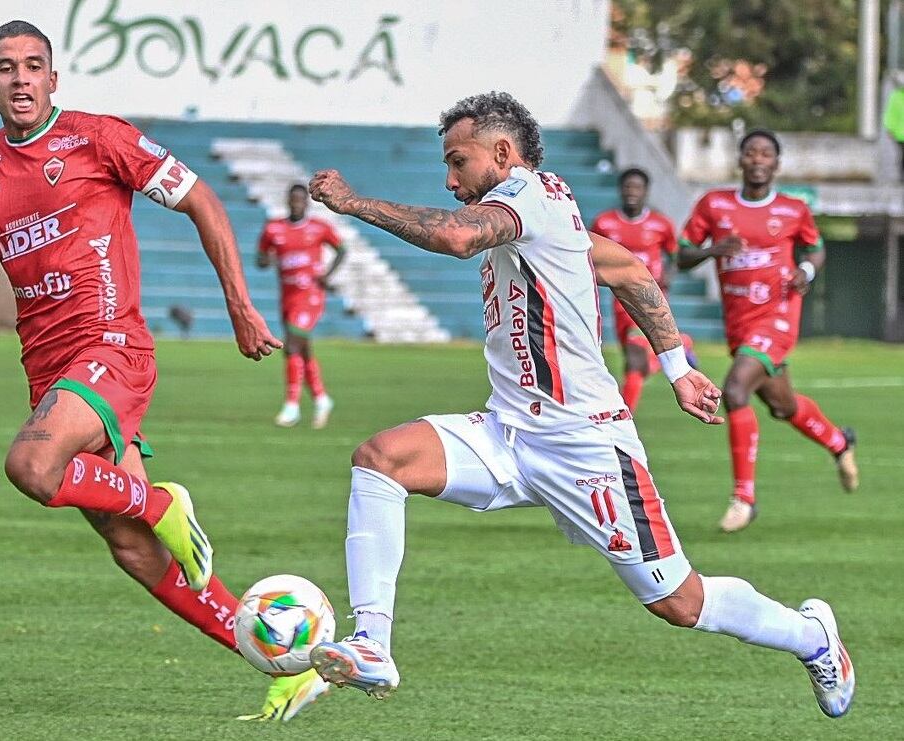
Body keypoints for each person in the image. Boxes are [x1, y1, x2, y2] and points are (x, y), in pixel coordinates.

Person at [305, 92, 854, 718]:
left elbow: (458, 238)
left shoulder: (524, 200)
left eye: (459, 162)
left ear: (503, 154)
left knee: (680, 602)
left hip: (585, 445)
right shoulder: (551, 207)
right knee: (381, 458)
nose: (449, 179)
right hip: (508, 432)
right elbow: (626, 268)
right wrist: (677, 368)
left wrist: (353, 203)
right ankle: (372, 642)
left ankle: (814, 638)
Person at [0, 20, 327, 722]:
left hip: (112, 346)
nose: (21, 78)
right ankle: (283, 664)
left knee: (32, 467)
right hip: (49, 369)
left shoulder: (99, 138)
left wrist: (241, 306)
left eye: (34, 65)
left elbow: (201, 200)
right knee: (129, 546)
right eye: (6, 68)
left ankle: (164, 503)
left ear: (53, 77)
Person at [678, 129, 858, 533]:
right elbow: (683, 254)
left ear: (776, 164)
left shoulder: (794, 210)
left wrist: (806, 271)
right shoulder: (714, 204)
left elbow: (815, 248)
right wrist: (713, 250)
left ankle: (744, 498)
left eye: (766, 154)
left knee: (736, 389)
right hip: (740, 324)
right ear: (740, 160)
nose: (758, 159)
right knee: (782, 406)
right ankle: (839, 443)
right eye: (751, 152)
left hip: (777, 317)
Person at [590, 168, 697, 411]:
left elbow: (674, 257)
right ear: (620, 189)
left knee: (634, 363)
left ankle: (622, 419)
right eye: (628, 187)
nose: (632, 192)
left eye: (637, 187)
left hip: (649, 297)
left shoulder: (661, 224)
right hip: (619, 299)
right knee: (635, 360)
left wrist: (667, 276)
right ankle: (683, 344)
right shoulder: (604, 222)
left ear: (646, 192)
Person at [256, 183, 345, 428]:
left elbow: (341, 249)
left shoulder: (319, 228)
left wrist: (328, 275)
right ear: (288, 201)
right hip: (288, 296)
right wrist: (265, 260)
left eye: (300, 199)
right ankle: (321, 398)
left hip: (311, 295)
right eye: (292, 199)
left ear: (306, 202)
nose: (296, 203)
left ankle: (291, 406)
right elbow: (261, 257)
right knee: (303, 350)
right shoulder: (274, 229)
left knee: (291, 345)